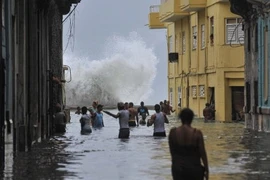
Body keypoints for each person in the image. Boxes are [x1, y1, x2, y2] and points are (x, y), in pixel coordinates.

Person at [168, 108, 209, 180]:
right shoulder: (197, 133)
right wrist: (207, 170)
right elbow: (203, 153)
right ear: (192, 118)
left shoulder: (173, 133)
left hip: (178, 169)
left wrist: (176, 166)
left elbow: (172, 153)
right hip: (194, 169)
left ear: (180, 118)